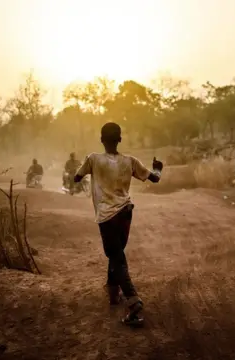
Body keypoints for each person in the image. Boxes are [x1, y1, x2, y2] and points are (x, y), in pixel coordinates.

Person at [74, 122, 163, 327]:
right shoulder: (130, 161)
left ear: (101, 140)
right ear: (120, 139)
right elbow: (155, 178)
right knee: (116, 253)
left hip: (107, 216)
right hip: (125, 213)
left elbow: (76, 178)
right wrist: (158, 168)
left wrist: (86, 169)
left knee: (116, 256)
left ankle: (133, 301)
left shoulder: (93, 159)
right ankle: (113, 294)